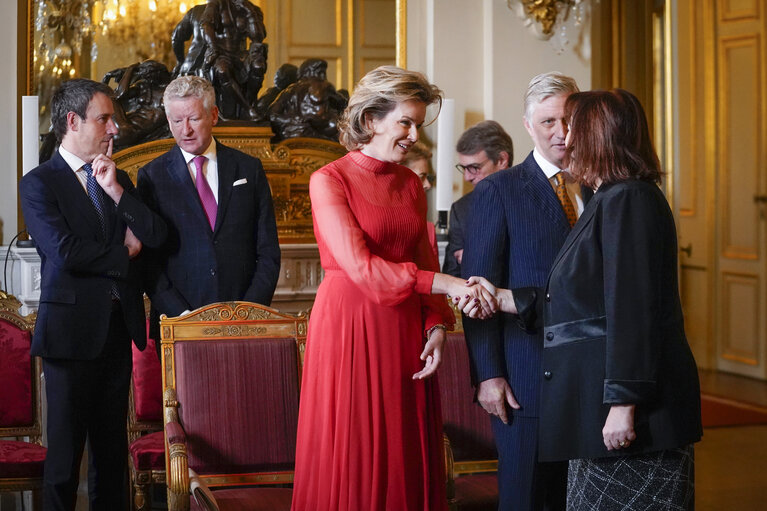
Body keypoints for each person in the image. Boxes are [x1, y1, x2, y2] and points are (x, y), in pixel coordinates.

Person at [462, 88, 703, 509]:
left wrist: (624, 404)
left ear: (596, 137)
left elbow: (632, 313)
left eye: (575, 127)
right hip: (588, 403)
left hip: (631, 414)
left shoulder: (627, 198)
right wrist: (503, 299)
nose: (565, 138)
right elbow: (583, 299)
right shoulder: (614, 196)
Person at [290, 65, 491, 511]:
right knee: (356, 445)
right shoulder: (329, 179)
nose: (414, 134)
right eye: (406, 121)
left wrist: (436, 323)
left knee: (404, 446)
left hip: (404, 331)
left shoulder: (409, 184)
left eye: (418, 123)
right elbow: (362, 268)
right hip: (350, 327)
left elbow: (423, 258)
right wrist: (449, 284)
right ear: (370, 121)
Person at [19, 78, 167, 509]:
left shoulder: (117, 178)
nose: (114, 128)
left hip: (117, 335)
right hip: (69, 337)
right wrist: (124, 251)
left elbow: (154, 235)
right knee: (65, 463)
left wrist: (117, 189)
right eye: (104, 119)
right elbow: (64, 252)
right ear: (72, 121)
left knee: (111, 460)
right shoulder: (40, 183)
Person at [460, 72, 583, 511]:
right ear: (529, 126)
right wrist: (488, 374)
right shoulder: (499, 190)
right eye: (549, 121)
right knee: (527, 498)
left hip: (587, 380)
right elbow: (477, 293)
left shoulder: (597, 187)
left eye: (569, 120)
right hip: (523, 377)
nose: (561, 133)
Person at [137, 75, 280, 346]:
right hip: (179, 326)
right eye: (176, 122)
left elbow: (268, 251)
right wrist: (182, 316)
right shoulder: (152, 176)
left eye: (193, 119)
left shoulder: (248, 169)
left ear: (213, 115)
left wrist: (249, 311)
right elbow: (148, 263)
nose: (185, 130)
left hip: (245, 323)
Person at [442, 120, 512, 278]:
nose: (467, 177)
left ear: (501, 160)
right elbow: (452, 274)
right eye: (464, 168)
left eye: (474, 168)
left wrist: (474, 255)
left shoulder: (531, 198)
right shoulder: (461, 209)